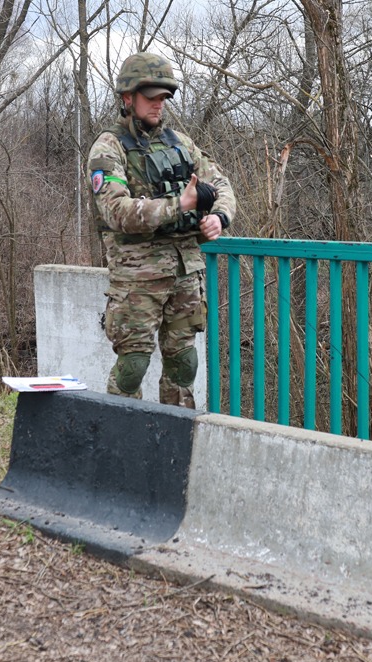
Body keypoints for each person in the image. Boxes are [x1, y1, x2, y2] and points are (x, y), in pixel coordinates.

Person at [87, 52, 237, 408]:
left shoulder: (180, 142)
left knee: (184, 364)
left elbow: (223, 185)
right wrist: (178, 206)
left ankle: (176, 445)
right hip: (137, 278)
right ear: (128, 98)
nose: (159, 104)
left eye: (163, 98)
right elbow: (116, 211)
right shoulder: (108, 147)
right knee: (132, 368)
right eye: (151, 97)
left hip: (186, 273)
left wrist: (219, 217)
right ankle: (124, 444)